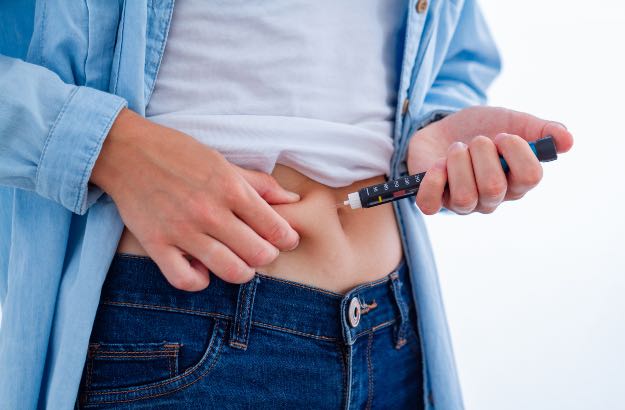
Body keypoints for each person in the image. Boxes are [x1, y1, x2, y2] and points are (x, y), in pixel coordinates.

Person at [0, 1, 573, 409]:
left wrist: (436, 126)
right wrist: (110, 148)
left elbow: (448, 53)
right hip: (177, 325)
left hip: (394, 331)